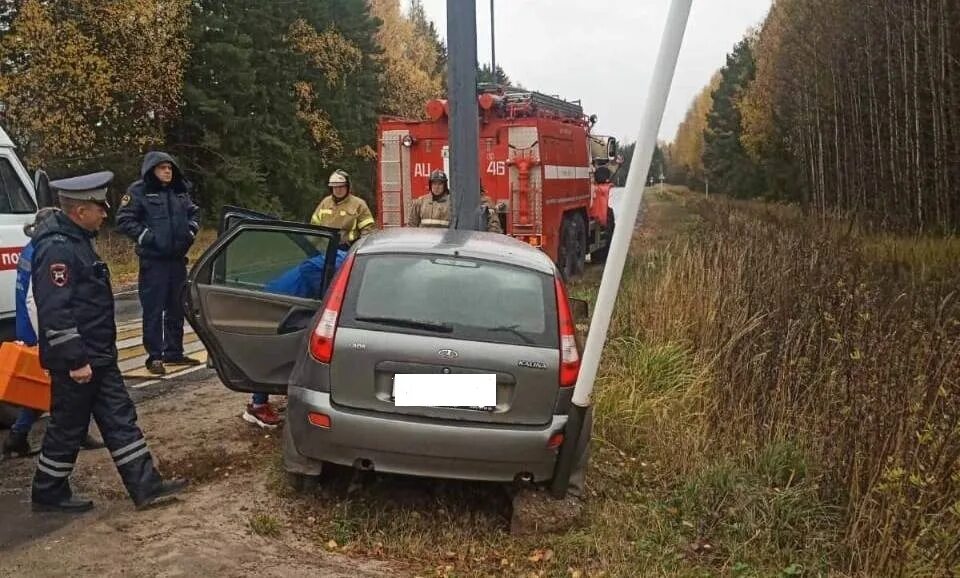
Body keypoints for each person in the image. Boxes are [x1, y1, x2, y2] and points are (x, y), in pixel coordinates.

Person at [30, 171, 187, 513]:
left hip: (98, 355)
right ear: (79, 210)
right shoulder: (57, 250)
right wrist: (75, 360)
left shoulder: (76, 241)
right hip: (78, 361)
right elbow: (56, 312)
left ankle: (146, 487)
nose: (105, 212)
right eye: (99, 207)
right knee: (67, 428)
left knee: (120, 418)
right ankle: (47, 492)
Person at [2, 208, 105, 459]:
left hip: (32, 328)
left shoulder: (30, 249)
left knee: (48, 386)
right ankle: (21, 436)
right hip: (41, 330)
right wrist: (45, 337)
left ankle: (19, 436)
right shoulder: (45, 250)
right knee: (61, 386)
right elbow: (34, 301)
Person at [116, 152, 202, 376]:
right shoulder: (139, 191)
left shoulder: (178, 190)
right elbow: (124, 219)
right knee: (153, 309)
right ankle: (154, 356)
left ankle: (174, 351)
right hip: (153, 261)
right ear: (151, 169)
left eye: (170, 168)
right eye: (162, 167)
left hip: (176, 260)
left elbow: (194, 212)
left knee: (177, 307)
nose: (167, 171)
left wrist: (191, 231)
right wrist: (147, 237)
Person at [242, 247, 348, 429]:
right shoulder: (342, 262)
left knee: (289, 352)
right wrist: (326, 299)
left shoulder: (345, 259)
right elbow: (309, 268)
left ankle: (272, 399)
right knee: (274, 352)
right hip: (281, 302)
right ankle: (257, 406)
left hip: (291, 302)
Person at [408, 170, 501, 233]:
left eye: (440, 184)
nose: (436, 187)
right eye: (434, 183)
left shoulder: (453, 202)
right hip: (425, 243)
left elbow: (494, 225)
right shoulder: (420, 202)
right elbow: (412, 225)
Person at [310, 169, 376, 248]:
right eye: (335, 187)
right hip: (325, 248)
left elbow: (367, 229)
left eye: (341, 187)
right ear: (331, 188)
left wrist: (360, 248)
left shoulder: (359, 204)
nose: (338, 190)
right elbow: (314, 226)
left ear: (347, 187)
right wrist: (312, 247)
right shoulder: (325, 202)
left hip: (348, 248)